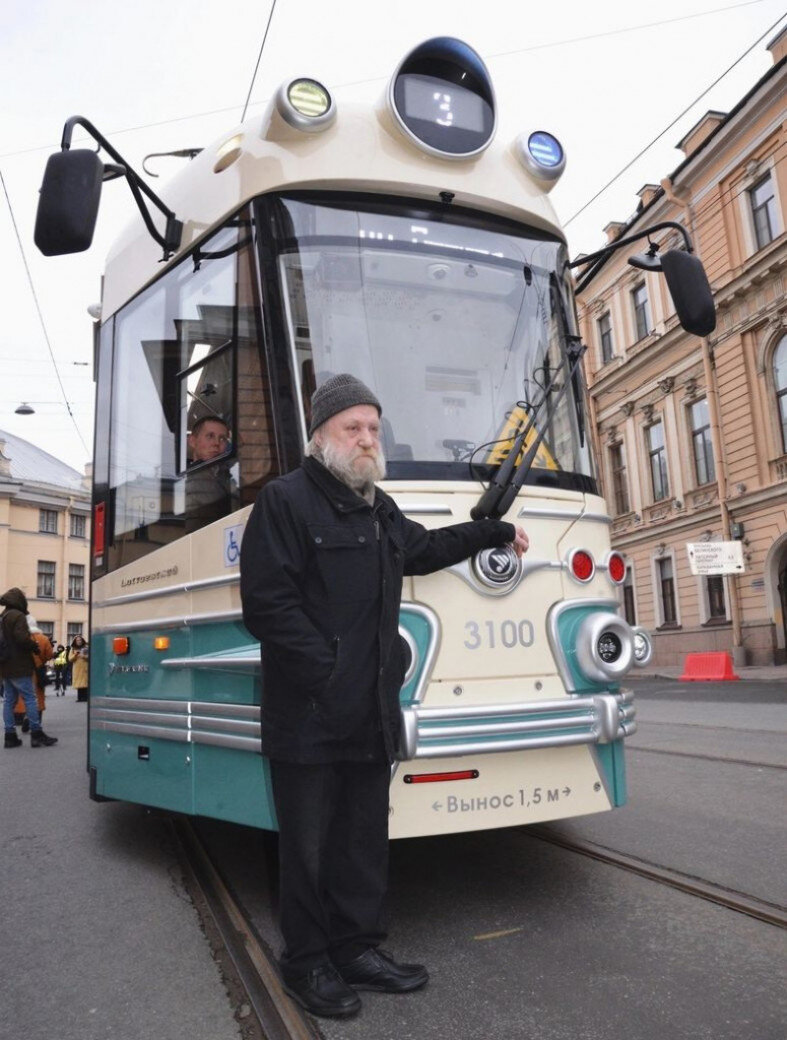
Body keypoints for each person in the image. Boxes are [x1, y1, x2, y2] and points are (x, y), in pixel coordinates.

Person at [240, 374, 529, 1019]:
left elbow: (423, 551)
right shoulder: (284, 501)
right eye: (353, 427)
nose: (368, 438)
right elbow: (268, 605)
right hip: (311, 717)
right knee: (308, 848)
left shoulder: (379, 507)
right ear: (322, 437)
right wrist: (330, 676)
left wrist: (492, 533)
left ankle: (358, 950)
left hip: (371, 713)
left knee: (362, 838)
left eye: (373, 427)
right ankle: (308, 962)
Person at [1, 588, 57, 748]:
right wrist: (33, 645)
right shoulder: (18, 616)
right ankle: (36, 733)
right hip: (19, 665)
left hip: (5, 665)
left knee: (9, 700)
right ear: (19, 600)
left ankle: (10, 736)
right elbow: (21, 638)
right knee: (30, 698)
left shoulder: (3, 616)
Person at [185, 415, 237, 533]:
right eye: (210, 436)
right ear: (192, 441)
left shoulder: (232, 476)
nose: (216, 443)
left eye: (222, 439)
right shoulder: (184, 478)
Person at [13, 617, 54, 732]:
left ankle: (22, 716)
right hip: (37, 670)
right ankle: (36, 720)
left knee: (22, 694)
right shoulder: (43, 638)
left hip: (20, 670)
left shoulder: (17, 638)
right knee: (38, 694)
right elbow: (49, 655)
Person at [68, 635, 89, 702]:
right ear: (75, 641)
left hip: (84, 667)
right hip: (77, 668)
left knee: (85, 683)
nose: (79, 641)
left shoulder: (86, 648)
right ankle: (79, 698)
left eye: (80, 640)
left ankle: (85, 697)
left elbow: (90, 657)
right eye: (77, 640)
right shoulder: (73, 649)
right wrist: (75, 655)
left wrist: (84, 656)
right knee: (79, 683)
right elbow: (70, 659)